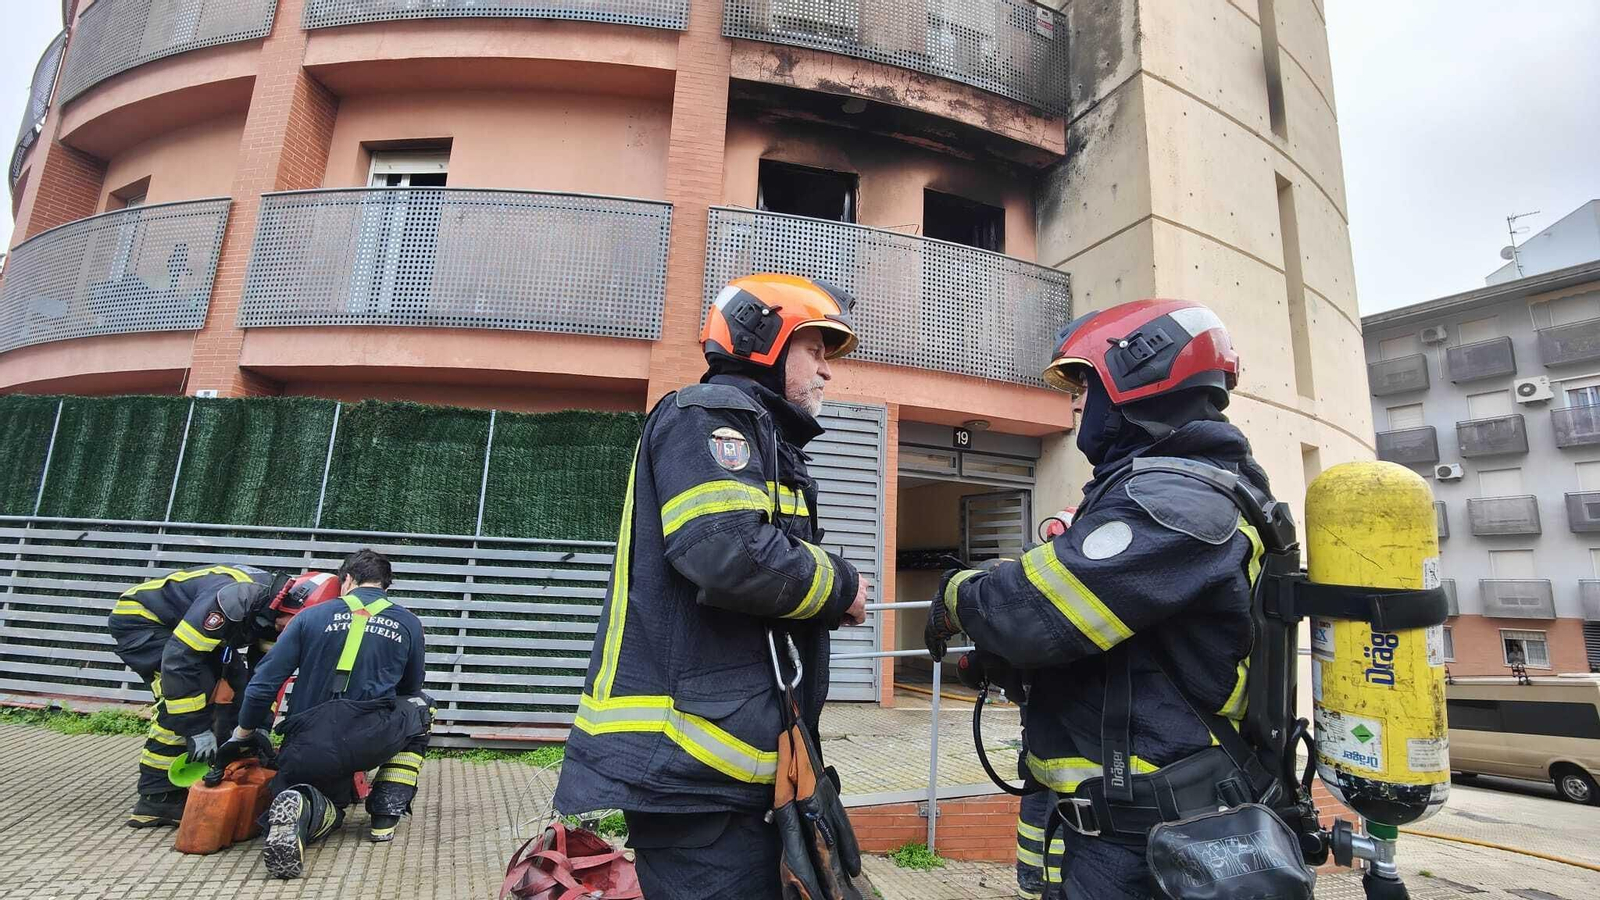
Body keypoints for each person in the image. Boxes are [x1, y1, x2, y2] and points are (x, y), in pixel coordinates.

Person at [927, 299, 1274, 899]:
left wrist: (958, 594)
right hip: (1124, 825)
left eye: (1085, 382)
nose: (1078, 401)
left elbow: (1033, 613)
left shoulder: (1172, 503)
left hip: (1149, 837)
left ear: (1138, 375)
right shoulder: (1162, 489)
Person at [554, 273, 870, 899]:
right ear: (768, 342)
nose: (828, 372)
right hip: (691, 781)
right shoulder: (709, 415)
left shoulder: (758, 433)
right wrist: (840, 585)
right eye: (817, 349)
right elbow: (724, 549)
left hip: (724, 782)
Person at [230, 548, 432, 879]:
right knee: (422, 708)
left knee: (324, 802)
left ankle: (301, 807)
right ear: (386, 586)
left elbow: (262, 685)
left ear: (346, 579)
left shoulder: (309, 617)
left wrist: (244, 734)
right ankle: (385, 814)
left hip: (307, 743)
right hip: (370, 739)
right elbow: (410, 688)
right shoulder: (408, 622)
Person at [107, 564, 339, 827]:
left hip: (193, 634)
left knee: (232, 693)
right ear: (288, 607)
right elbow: (180, 660)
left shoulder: (279, 619)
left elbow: (264, 678)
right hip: (144, 620)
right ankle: (156, 798)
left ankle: (210, 773)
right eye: (295, 625)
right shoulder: (234, 599)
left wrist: (257, 727)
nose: (292, 633)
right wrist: (195, 728)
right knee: (184, 700)